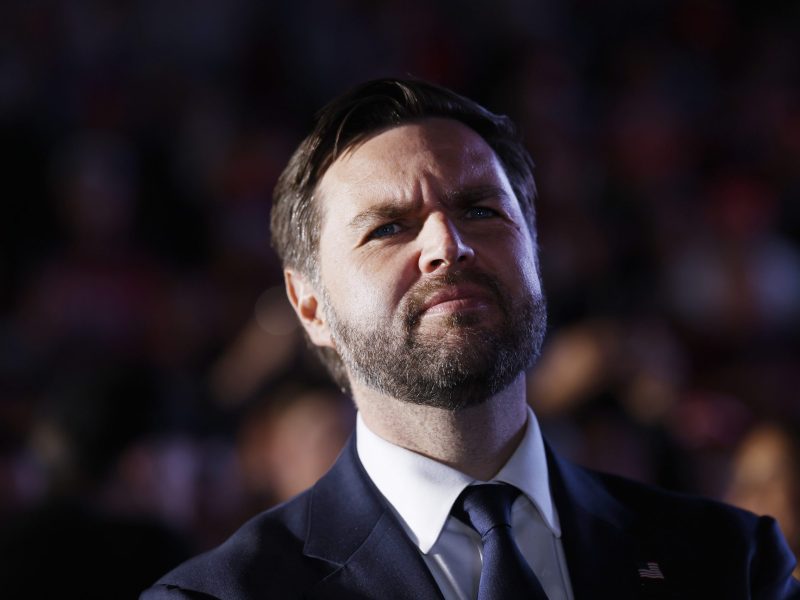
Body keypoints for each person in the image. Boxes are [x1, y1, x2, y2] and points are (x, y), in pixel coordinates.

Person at [141, 78, 799, 599]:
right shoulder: (222, 597)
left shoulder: (731, 565)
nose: (446, 245)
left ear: (534, 250)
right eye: (388, 228)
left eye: (481, 210)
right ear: (309, 305)